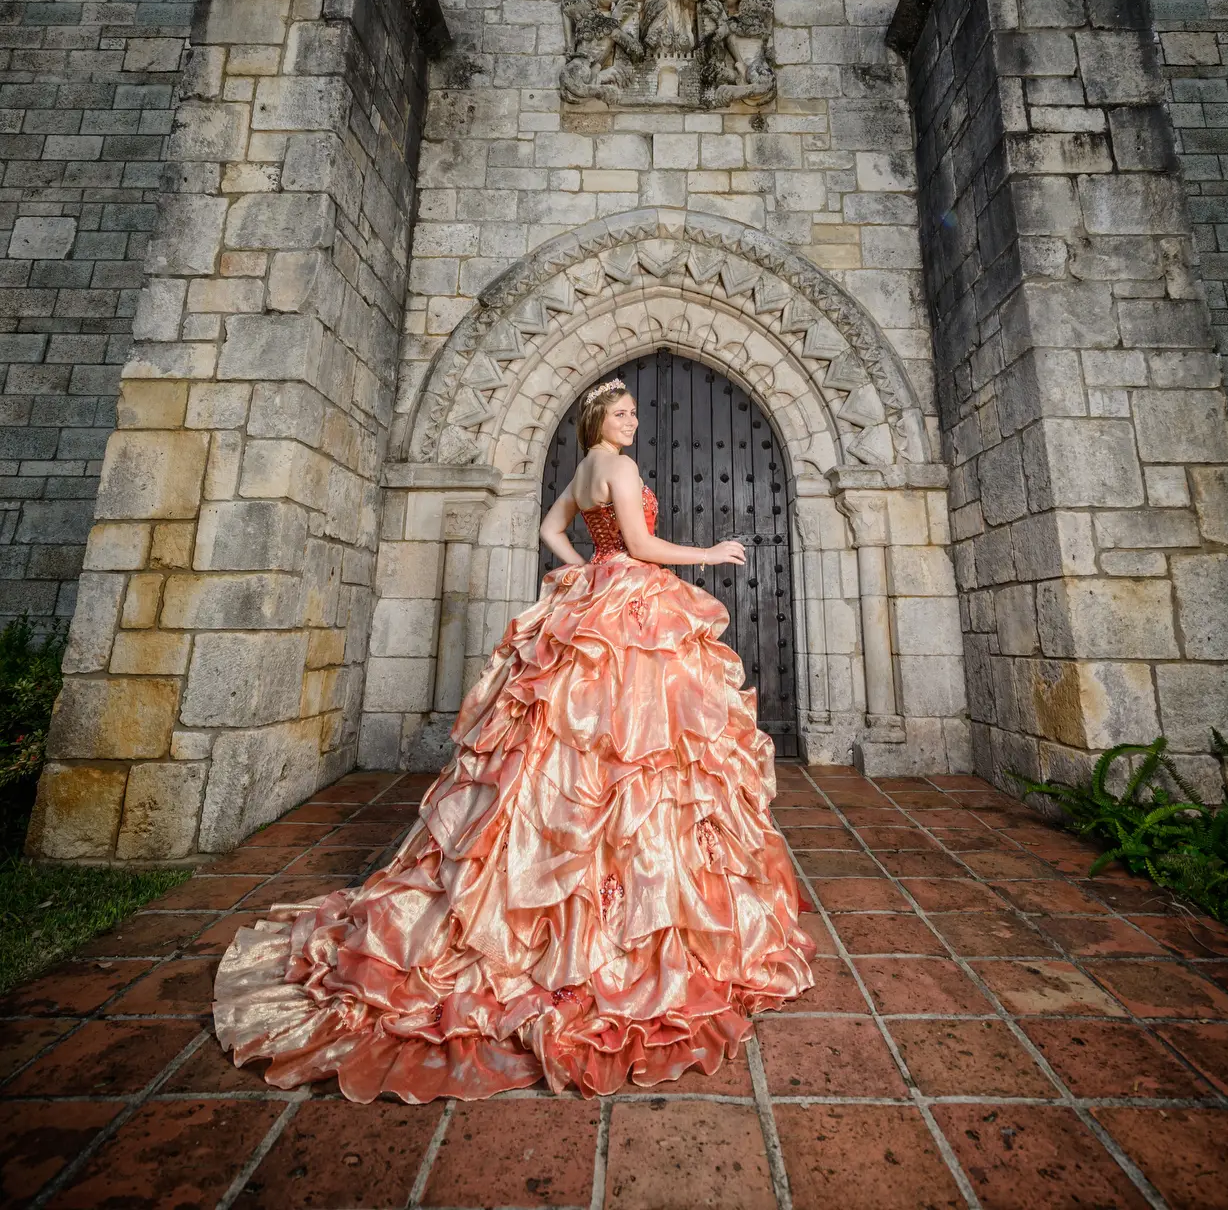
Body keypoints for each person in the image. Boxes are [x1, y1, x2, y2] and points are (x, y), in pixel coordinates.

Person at [212, 375, 815, 1101]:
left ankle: (551, 879)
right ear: (600, 418)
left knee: (565, 746)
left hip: (595, 601)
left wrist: (585, 575)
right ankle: (618, 914)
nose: (633, 421)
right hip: (628, 607)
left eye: (632, 412)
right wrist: (712, 555)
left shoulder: (585, 469)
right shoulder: (618, 468)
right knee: (636, 748)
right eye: (622, 412)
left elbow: (550, 531)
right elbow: (645, 542)